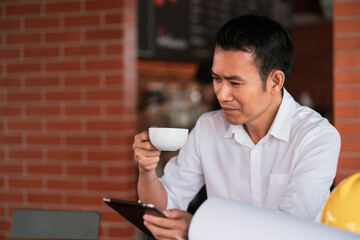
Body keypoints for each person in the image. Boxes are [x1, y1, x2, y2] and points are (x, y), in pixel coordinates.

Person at [133, 14, 341, 240]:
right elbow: (164, 207)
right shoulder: (207, 128)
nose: (221, 94)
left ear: (275, 81)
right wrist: (147, 171)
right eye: (216, 79)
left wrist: (200, 229)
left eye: (235, 83)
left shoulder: (317, 136)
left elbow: (289, 228)